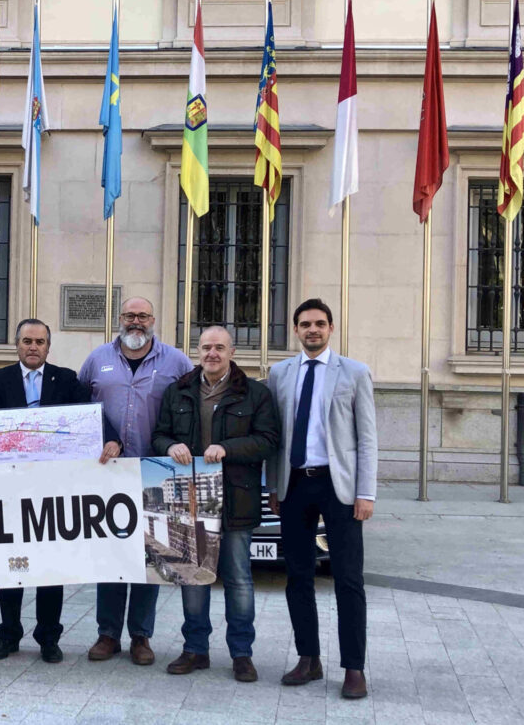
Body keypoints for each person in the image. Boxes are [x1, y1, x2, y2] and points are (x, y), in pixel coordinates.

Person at [0, 318, 121, 664]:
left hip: (53, 490)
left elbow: (91, 414)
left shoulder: (66, 378)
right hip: (12, 488)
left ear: (48, 347)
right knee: (11, 565)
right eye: (27, 340)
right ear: (17, 344)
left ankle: (48, 637)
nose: (33, 347)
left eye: (40, 342)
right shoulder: (0, 380)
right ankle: (9, 634)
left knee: (50, 566)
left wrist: (112, 438)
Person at [151, 326, 279, 682]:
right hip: (189, 500)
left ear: (232, 351)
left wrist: (228, 448)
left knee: (238, 579)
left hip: (236, 497)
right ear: (197, 351)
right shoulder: (178, 391)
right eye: (206, 347)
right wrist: (168, 447)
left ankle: (241, 653)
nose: (212, 353)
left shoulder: (255, 393)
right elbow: (159, 434)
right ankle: (195, 649)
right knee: (193, 576)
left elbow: (268, 440)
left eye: (219, 347)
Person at [265, 298, 378, 700]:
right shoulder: (279, 373)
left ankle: (354, 668)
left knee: (348, 578)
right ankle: (308, 658)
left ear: (330, 329)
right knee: (297, 575)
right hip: (295, 484)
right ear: (296, 330)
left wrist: (366, 493)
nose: (312, 330)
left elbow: (367, 438)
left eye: (319, 324)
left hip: (339, 487)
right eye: (305, 324)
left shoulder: (354, 372)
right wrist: (274, 486)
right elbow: (273, 436)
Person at [79, 296, 193, 666]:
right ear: (119, 319)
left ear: (154, 320)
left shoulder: (176, 362)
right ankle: (107, 634)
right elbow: (81, 410)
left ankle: (141, 636)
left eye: (143, 315)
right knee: (110, 555)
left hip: (156, 474)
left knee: (151, 556)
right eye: (129, 315)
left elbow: (191, 410)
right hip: (107, 475)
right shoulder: (97, 359)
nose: (136, 322)